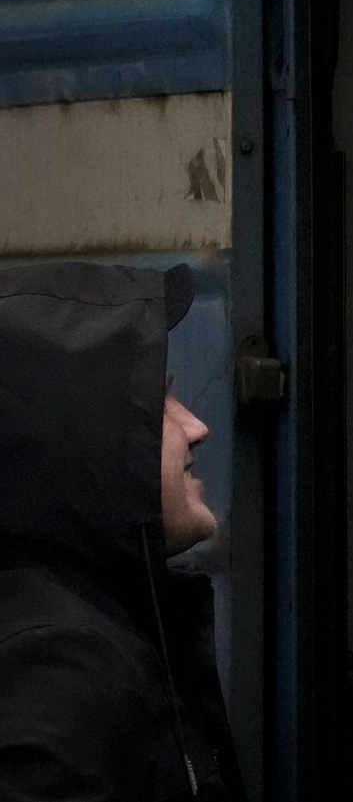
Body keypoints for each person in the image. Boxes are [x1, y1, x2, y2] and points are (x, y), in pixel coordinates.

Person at [0, 262, 245, 801]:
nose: (197, 428)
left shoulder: (76, 620)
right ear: (76, 442)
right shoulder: (58, 670)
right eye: (161, 405)